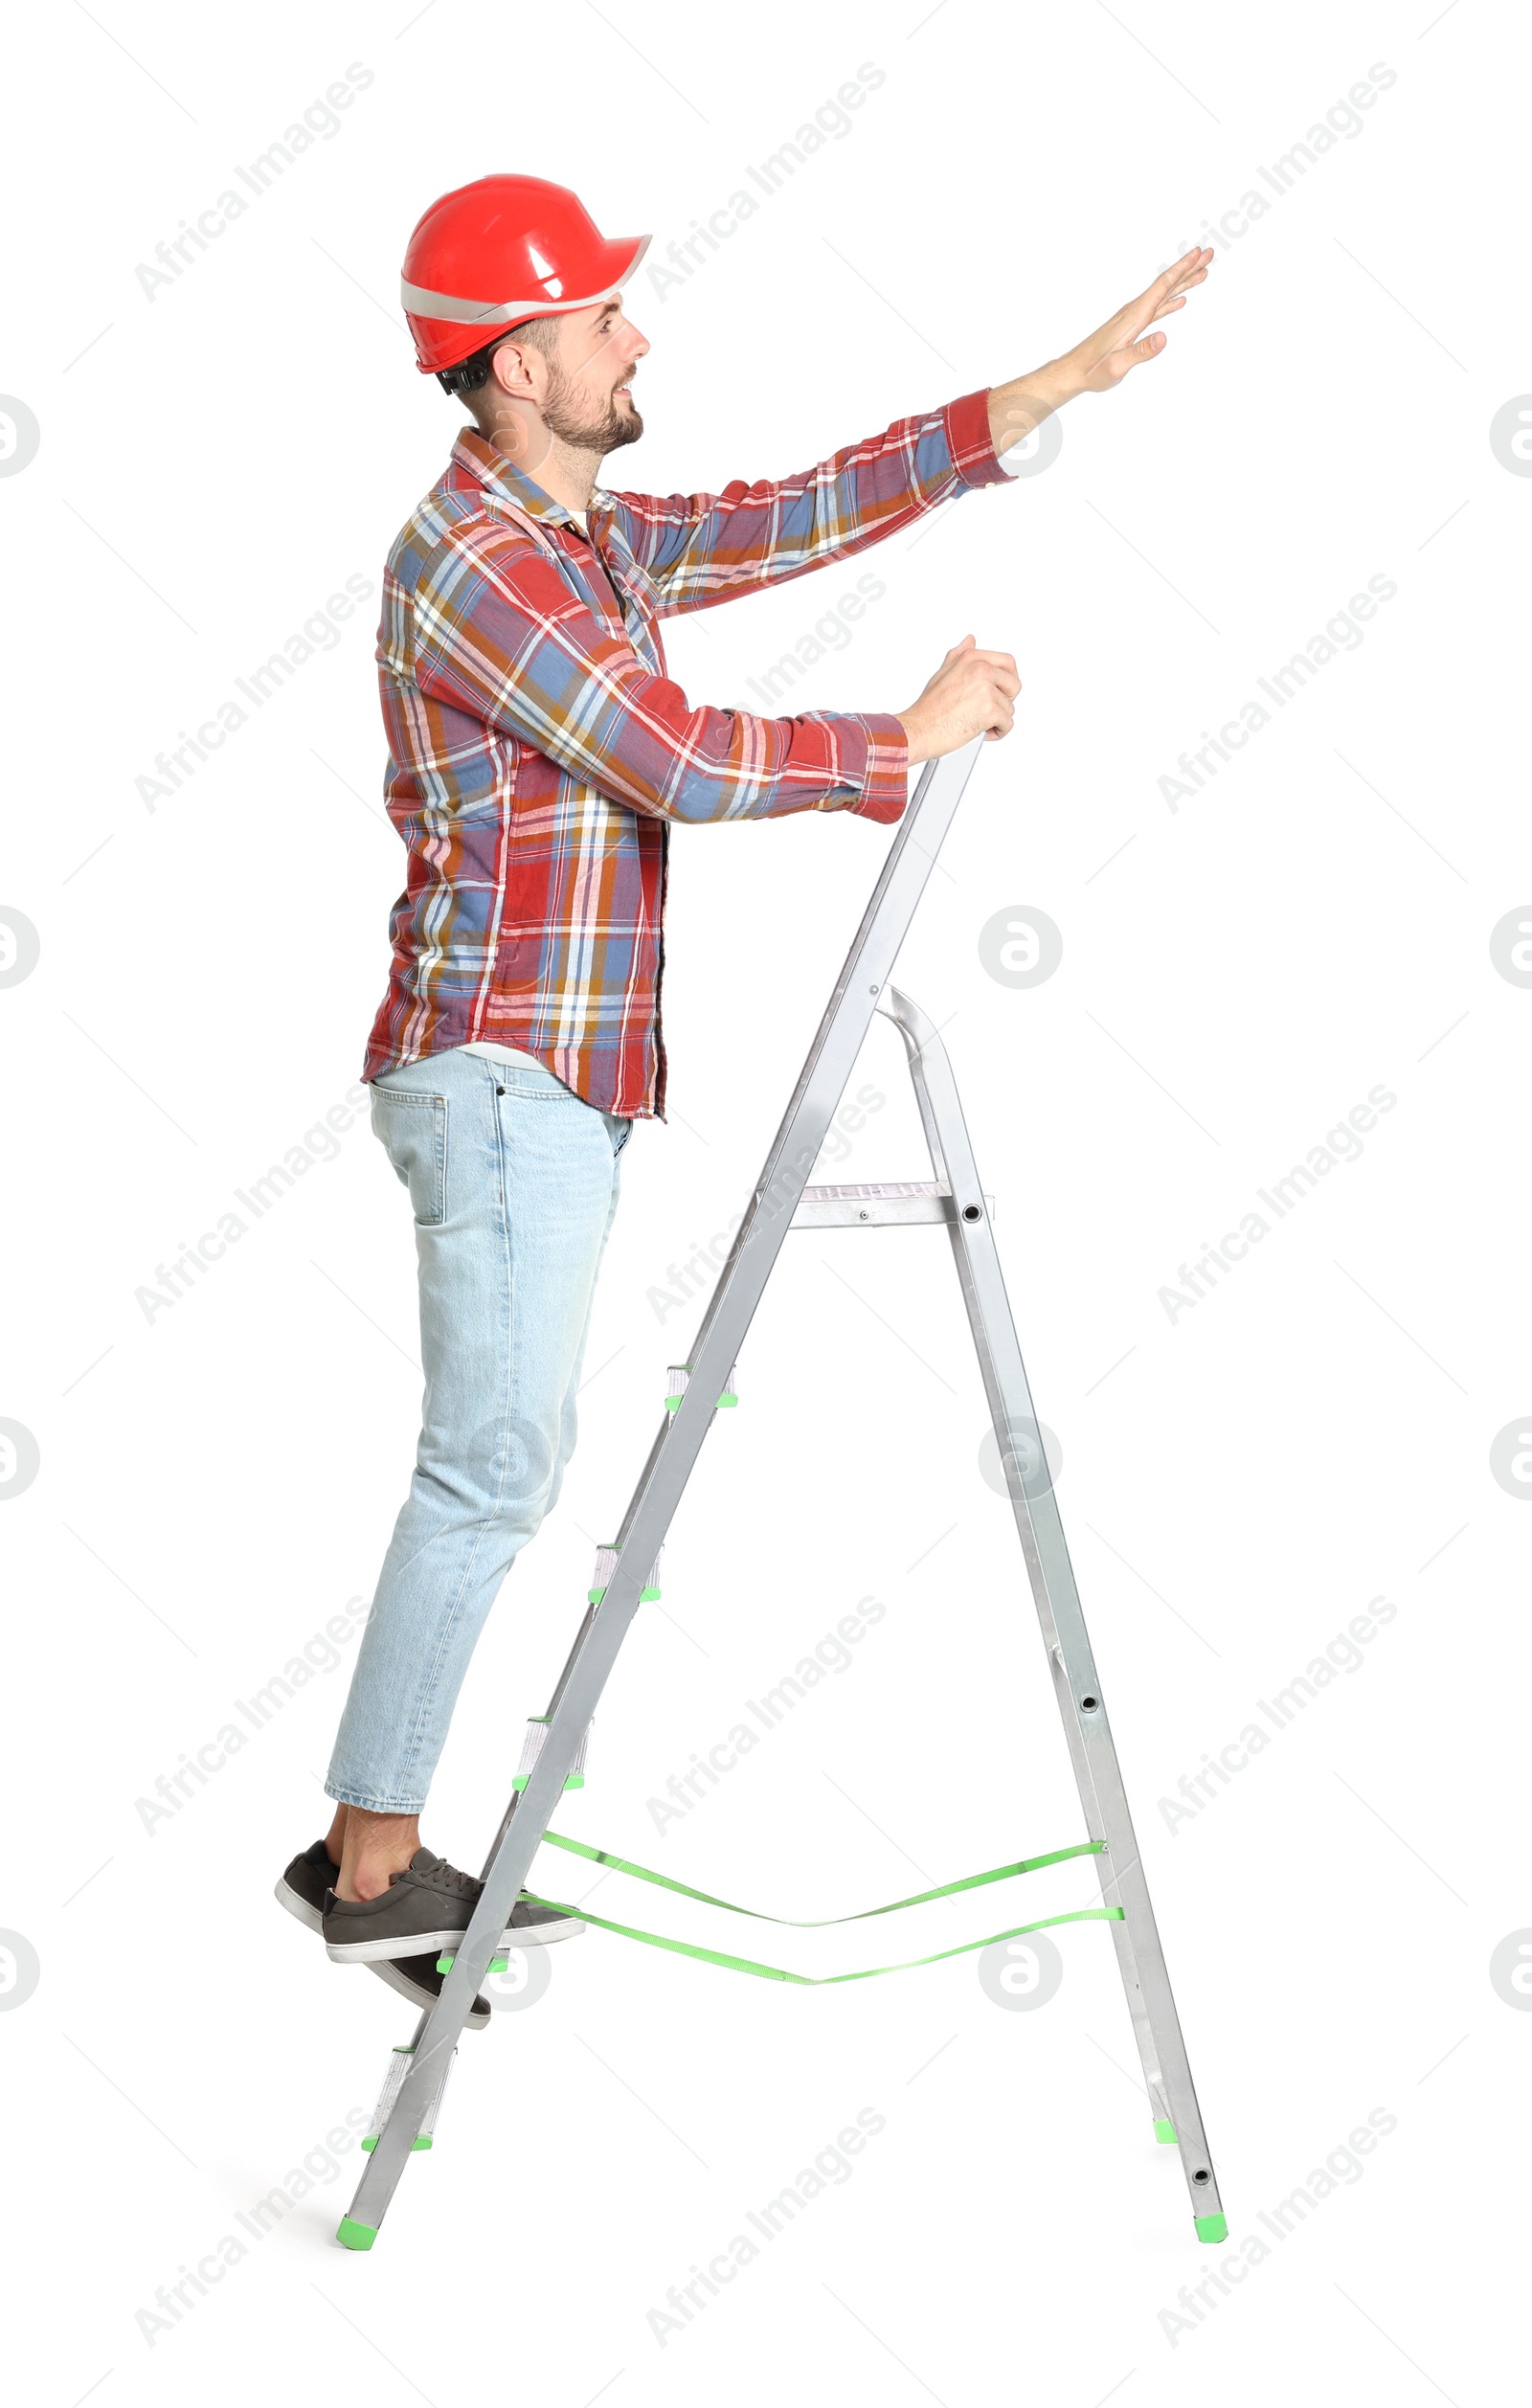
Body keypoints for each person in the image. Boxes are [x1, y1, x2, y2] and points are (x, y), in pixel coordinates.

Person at [275, 175, 1211, 2014]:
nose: (640, 336)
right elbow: (677, 758)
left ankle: (375, 1846)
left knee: (498, 1466)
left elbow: (786, 514)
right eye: (609, 317)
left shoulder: (585, 540)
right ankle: (370, 1864)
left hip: (556, 1081)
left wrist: (1042, 392)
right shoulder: (474, 564)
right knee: (493, 1470)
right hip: (502, 1075)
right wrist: (900, 742)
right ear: (520, 358)